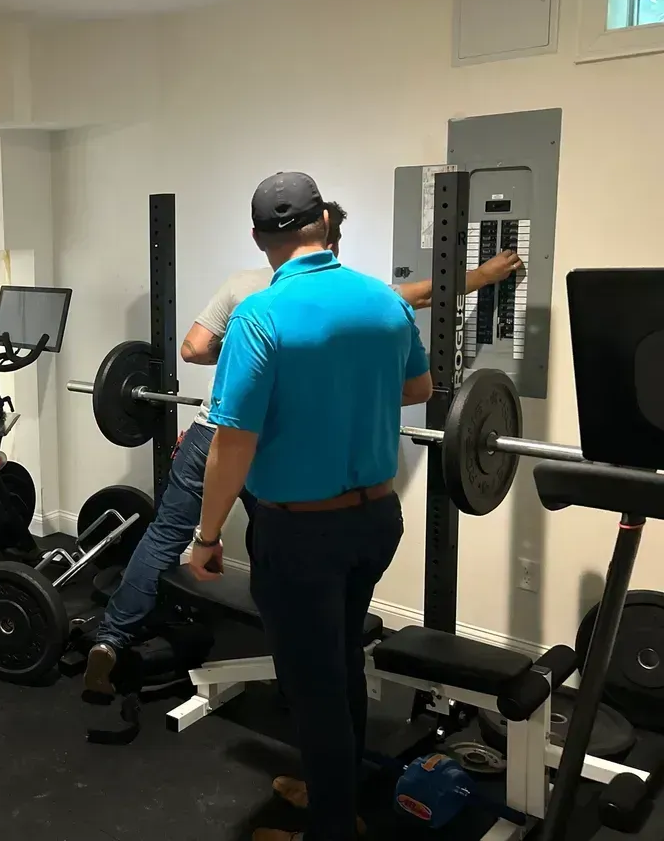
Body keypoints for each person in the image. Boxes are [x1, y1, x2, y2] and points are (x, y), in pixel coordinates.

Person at [84, 204, 520, 688]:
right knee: (271, 537)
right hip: (276, 444)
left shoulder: (245, 287)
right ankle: (287, 658)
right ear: (330, 237)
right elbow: (421, 298)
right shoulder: (362, 296)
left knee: (168, 534)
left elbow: (193, 349)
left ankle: (110, 637)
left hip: (214, 432)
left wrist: (247, 366)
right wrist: (483, 276)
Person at [190, 172, 432, 841]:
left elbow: (231, 445)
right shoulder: (383, 301)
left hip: (302, 538)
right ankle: (332, 789)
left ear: (258, 237)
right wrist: (348, 388)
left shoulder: (261, 315)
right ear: (325, 222)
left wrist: (207, 536)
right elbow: (419, 386)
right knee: (340, 662)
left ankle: (331, 828)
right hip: (377, 523)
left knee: (314, 685)